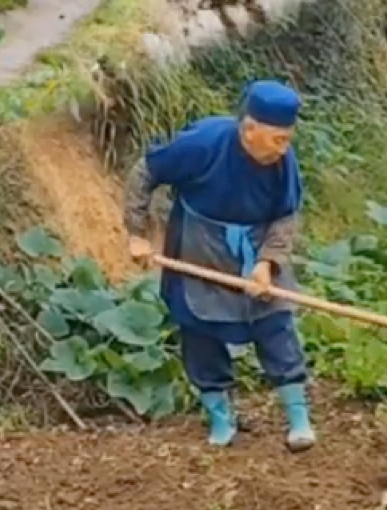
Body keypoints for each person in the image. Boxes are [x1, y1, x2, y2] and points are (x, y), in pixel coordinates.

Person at [122, 79, 315, 451]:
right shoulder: (202, 144)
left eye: (288, 139)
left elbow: (286, 217)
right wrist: (137, 233)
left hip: (255, 244)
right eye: (278, 139)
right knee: (199, 329)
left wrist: (267, 263)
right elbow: (145, 173)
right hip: (197, 244)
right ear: (249, 129)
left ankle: (298, 419)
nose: (284, 148)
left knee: (275, 321)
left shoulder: (282, 162)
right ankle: (221, 419)